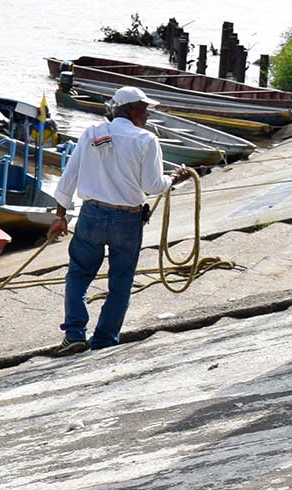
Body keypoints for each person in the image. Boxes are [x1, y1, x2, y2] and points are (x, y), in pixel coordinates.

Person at [49, 86, 195, 354]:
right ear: (131, 110)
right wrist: (174, 179)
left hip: (91, 214)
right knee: (121, 280)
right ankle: (104, 340)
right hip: (127, 220)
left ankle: (74, 334)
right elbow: (152, 185)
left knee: (79, 274)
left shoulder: (92, 134)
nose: (148, 114)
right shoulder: (146, 140)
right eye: (145, 109)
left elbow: (69, 177)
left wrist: (60, 216)